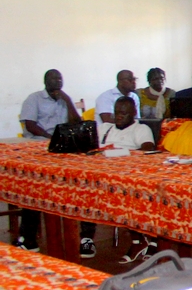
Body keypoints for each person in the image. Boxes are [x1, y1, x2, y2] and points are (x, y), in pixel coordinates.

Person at [14, 69, 82, 252]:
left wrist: (67, 101)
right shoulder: (34, 98)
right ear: (45, 81)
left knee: (80, 180)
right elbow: (30, 124)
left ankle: (82, 237)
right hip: (39, 145)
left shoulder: (64, 100)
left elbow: (78, 123)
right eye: (54, 78)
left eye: (60, 77)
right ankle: (27, 235)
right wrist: (49, 138)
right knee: (36, 185)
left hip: (63, 148)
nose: (58, 81)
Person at [97, 97, 158, 263]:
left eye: (123, 113)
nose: (118, 116)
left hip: (131, 176)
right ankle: (85, 239)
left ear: (133, 114)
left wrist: (122, 154)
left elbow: (148, 149)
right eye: (116, 112)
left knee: (127, 196)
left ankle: (140, 241)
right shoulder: (105, 128)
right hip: (102, 174)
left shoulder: (140, 129)